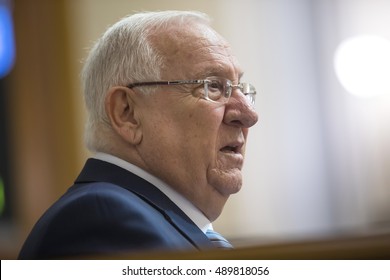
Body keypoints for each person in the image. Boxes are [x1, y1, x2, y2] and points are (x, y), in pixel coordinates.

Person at [18, 10, 258, 259]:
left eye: (242, 89)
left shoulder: (150, 218)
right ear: (127, 113)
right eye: (214, 86)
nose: (249, 114)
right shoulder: (103, 219)